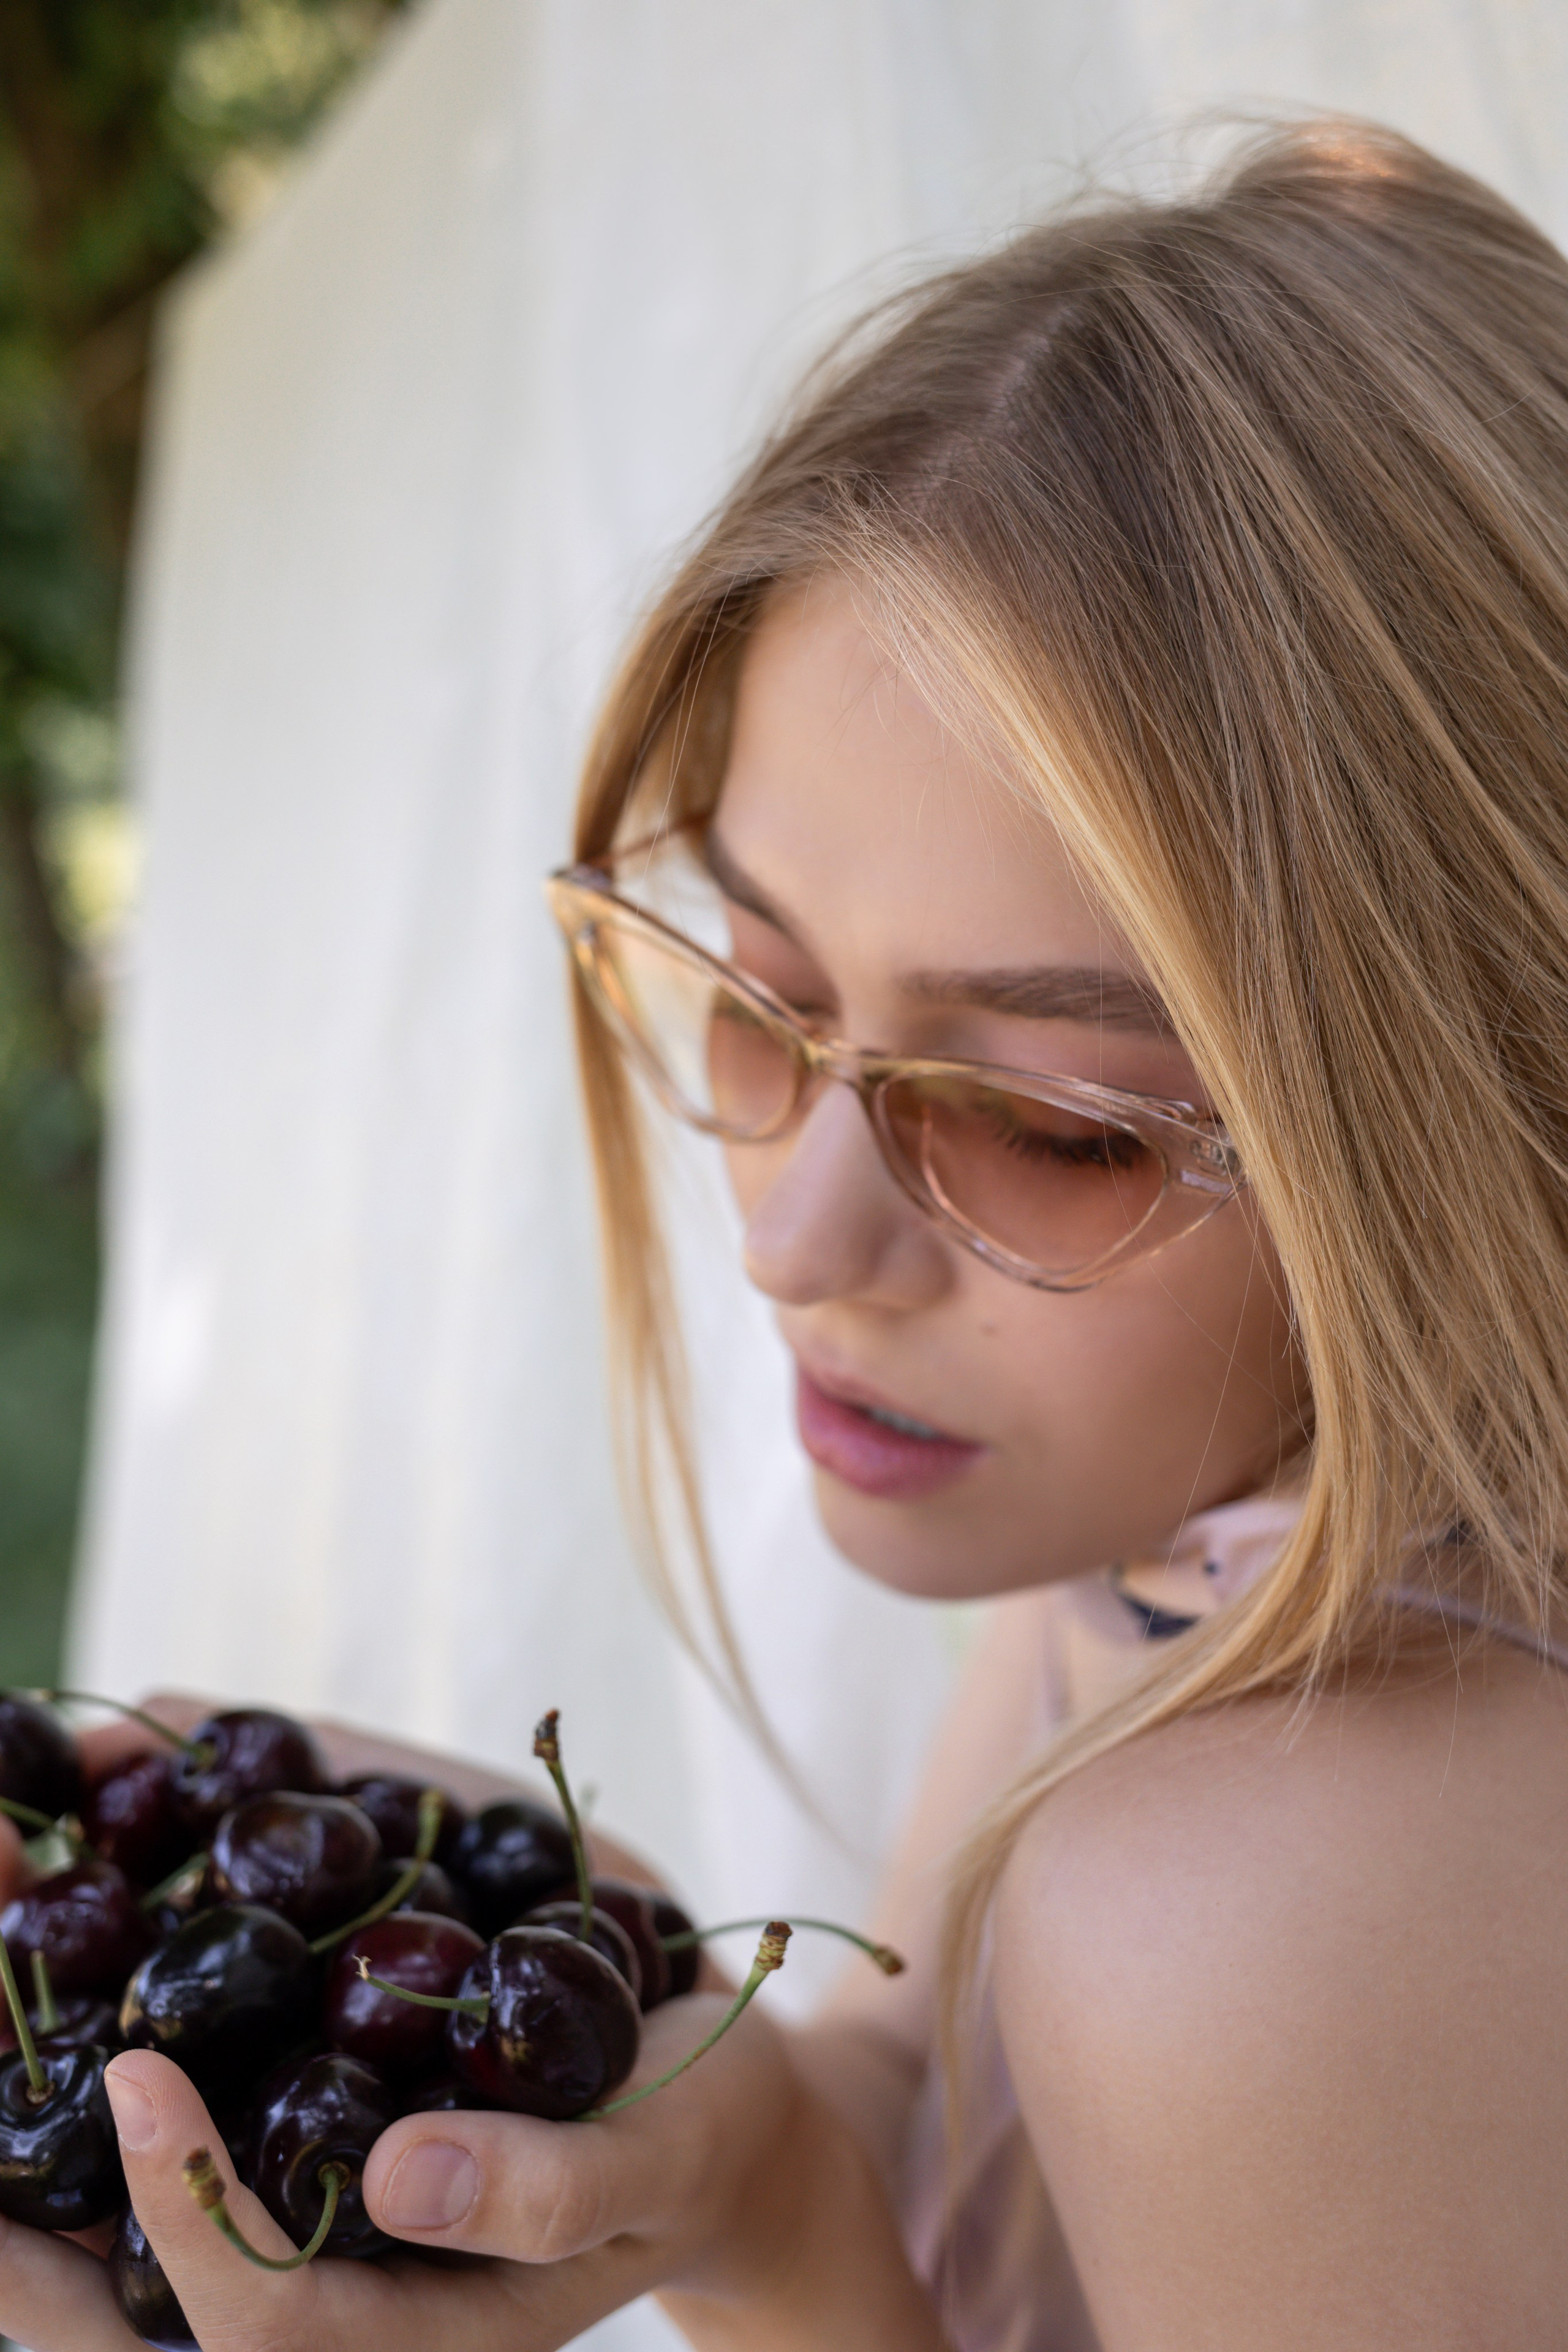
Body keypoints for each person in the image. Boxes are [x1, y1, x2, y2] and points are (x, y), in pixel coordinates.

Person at [9, 115, 1568, 2350]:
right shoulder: (1194, 1542)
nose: (790, 1238)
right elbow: (912, 2115)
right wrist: (720, 2126)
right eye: (755, 997)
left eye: (1047, 1125)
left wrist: (795, 2239)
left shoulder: (1270, 1920)